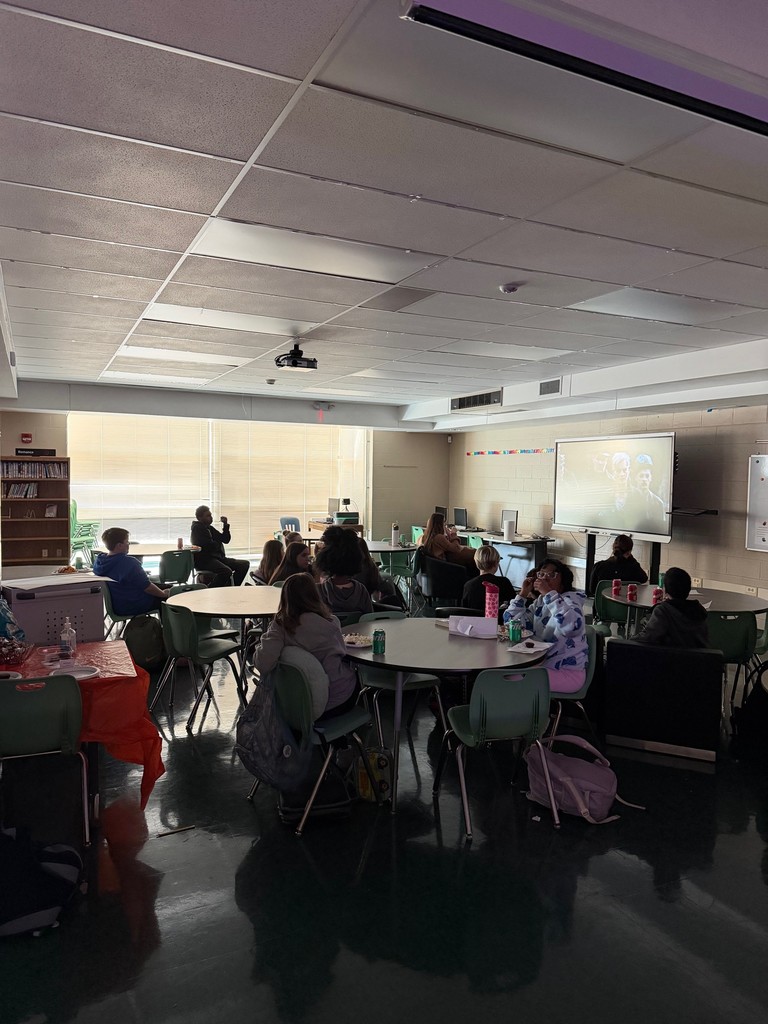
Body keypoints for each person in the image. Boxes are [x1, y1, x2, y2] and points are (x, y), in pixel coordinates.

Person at [252, 573, 359, 720]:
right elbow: (342, 653)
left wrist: (262, 642)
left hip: (296, 703)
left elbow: (263, 664)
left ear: (285, 598)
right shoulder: (331, 623)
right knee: (356, 677)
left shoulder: (281, 626)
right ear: (315, 595)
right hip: (336, 699)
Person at [504, 558, 588, 693]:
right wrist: (522, 594)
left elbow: (572, 627)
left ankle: (531, 713)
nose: (545, 579)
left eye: (552, 575)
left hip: (567, 672)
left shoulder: (571, 600)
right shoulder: (541, 602)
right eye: (541, 574)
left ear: (563, 583)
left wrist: (549, 594)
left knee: (510, 679)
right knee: (502, 675)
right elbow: (513, 624)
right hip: (543, 665)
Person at [94, 527, 169, 615]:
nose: (128, 544)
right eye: (127, 542)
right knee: (173, 595)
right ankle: (169, 627)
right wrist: (164, 594)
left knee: (167, 587)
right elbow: (147, 587)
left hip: (117, 603)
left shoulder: (100, 562)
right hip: (133, 604)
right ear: (119, 545)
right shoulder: (129, 563)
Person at [632, 566, 708, 648]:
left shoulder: (663, 612)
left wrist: (627, 641)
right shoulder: (699, 611)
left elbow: (647, 637)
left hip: (671, 658)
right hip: (698, 659)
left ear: (665, 590)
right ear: (688, 589)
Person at [314, 526, 372, 620]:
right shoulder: (361, 591)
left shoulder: (319, 591)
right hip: (358, 632)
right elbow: (369, 619)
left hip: (328, 634)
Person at [190, 505, 250, 588]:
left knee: (244, 564)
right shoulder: (197, 529)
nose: (211, 517)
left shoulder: (209, 528)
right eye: (207, 516)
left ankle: (231, 588)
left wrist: (225, 526)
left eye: (210, 515)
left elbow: (225, 539)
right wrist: (218, 543)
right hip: (205, 561)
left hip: (218, 558)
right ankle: (209, 590)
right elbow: (208, 546)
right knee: (226, 571)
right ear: (200, 518)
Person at [461, 545, 516, 621]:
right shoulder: (504, 583)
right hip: (498, 625)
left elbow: (464, 611)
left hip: (474, 624)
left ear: (476, 562)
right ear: (497, 563)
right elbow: (514, 607)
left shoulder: (468, 585)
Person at [354, 537, 404, 609]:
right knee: (394, 598)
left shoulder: (345, 570)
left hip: (352, 610)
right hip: (365, 609)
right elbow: (388, 589)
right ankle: (404, 611)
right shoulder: (369, 568)